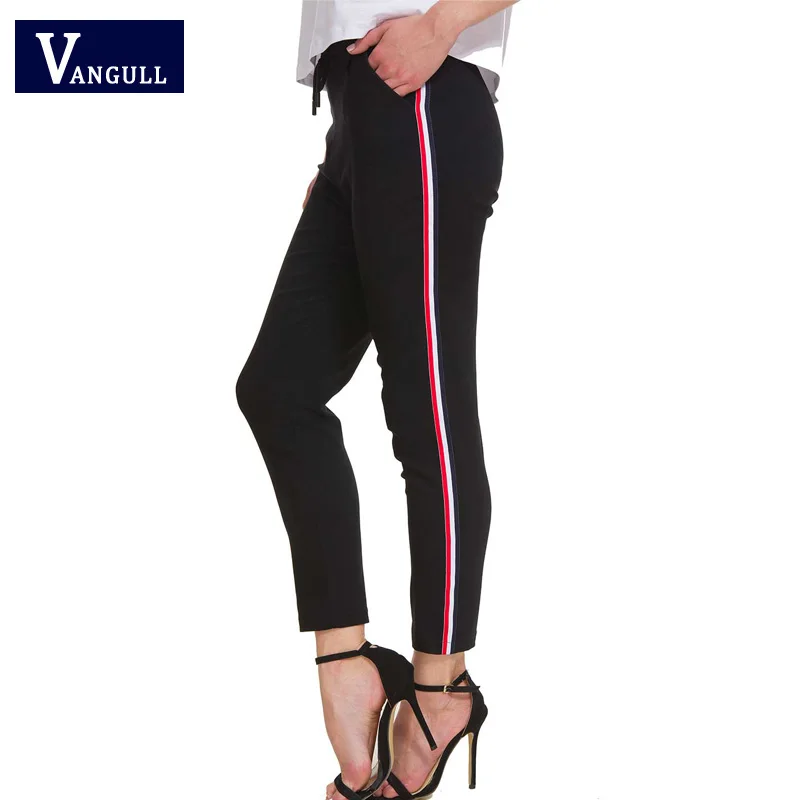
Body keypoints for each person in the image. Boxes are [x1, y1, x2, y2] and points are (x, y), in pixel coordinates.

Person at [236, 2, 517, 798]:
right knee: (278, 389)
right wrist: (351, 149)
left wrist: (441, 25)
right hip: (363, 116)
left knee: (428, 413)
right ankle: (346, 662)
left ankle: (439, 689)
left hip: (421, 93)